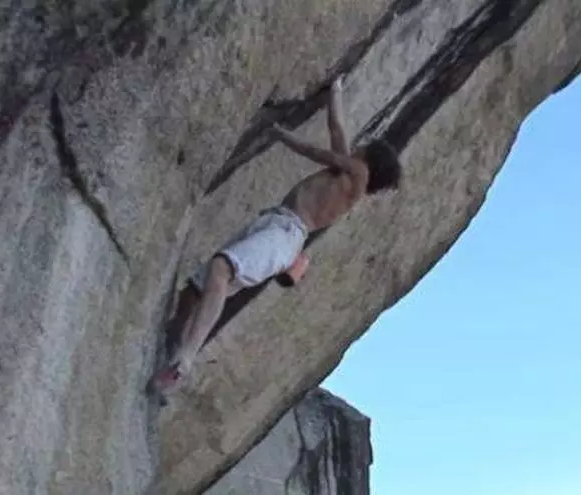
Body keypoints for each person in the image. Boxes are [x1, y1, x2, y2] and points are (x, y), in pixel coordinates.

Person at [149, 78, 402, 394]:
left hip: (285, 234)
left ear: (371, 160)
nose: (359, 146)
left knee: (220, 270)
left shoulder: (359, 174)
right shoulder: (347, 177)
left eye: (365, 148)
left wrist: (280, 135)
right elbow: (337, 129)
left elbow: (315, 151)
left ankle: (185, 359)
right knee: (195, 290)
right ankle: (170, 359)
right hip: (276, 224)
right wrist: (335, 90)